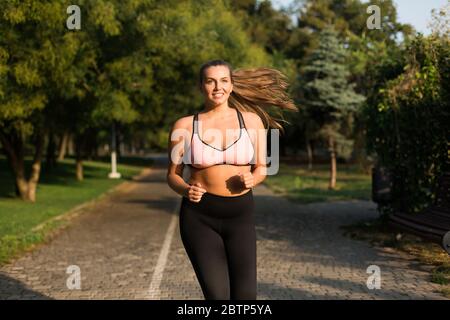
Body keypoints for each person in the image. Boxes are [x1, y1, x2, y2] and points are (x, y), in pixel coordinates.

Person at [166, 59, 297, 300]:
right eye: (210, 81)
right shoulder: (184, 126)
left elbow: (261, 168)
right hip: (199, 217)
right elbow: (172, 175)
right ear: (201, 86)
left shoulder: (251, 121)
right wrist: (185, 190)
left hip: (240, 217)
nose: (218, 87)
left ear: (232, 84)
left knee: (246, 297)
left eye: (224, 81)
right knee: (217, 297)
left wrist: (253, 179)